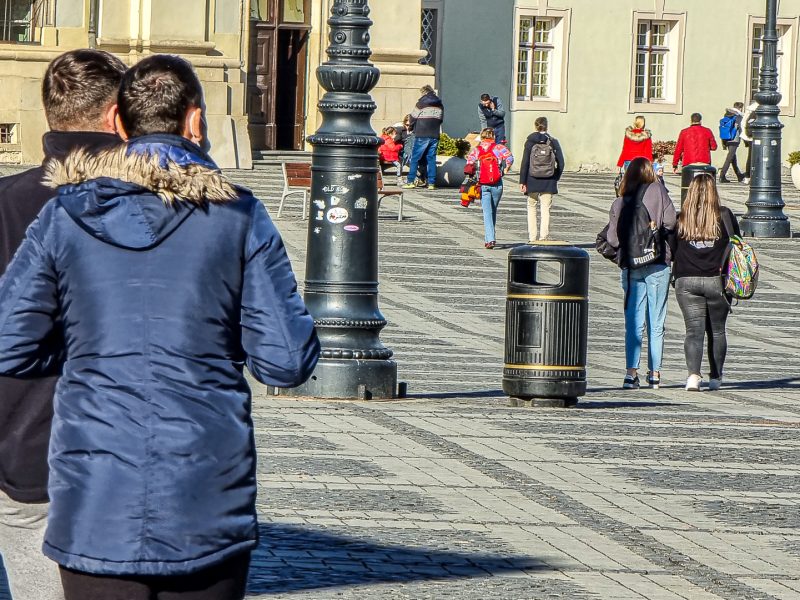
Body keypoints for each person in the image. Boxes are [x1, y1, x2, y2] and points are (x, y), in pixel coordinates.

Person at [0, 54, 320, 600]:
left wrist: (90, 358)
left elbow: (9, 345)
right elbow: (286, 362)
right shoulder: (239, 215)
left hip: (94, 493)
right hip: (206, 494)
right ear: (196, 122)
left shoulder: (66, 214)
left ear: (120, 127)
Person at [0, 49, 126, 600]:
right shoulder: (162, 206)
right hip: (115, 453)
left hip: (21, 448)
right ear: (118, 116)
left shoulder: (9, 200)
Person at [605, 157, 677, 390]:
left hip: (631, 265)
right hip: (657, 262)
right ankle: (655, 373)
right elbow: (672, 222)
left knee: (634, 323)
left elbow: (613, 239)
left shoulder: (619, 201)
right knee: (656, 322)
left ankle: (630, 373)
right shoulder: (658, 190)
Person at [670, 175, 739, 391]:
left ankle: (693, 376)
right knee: (717, 331)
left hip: (686, 280)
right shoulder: (724, 215)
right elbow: (737, 243)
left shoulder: (680, 219)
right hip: (716, 280)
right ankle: (716, 377)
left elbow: (671, 250)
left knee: (693, 331)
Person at [465, 128, 514, 249]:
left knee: (487, 212)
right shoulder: (498, 148)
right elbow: (510, 158)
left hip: (483, 184)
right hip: (497, 183)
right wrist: (505, 169)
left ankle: (490, 239)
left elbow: (469, 162)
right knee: (493, 210)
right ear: (493, 136)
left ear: (482, 137)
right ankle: (490, 238)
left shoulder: (477, 149)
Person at [519, 116, 565, 242]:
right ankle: (543, 236)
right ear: (547, 126)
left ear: (535, 126)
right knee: (545, 209)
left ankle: (532, 237)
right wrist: (556, 177)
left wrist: (522, 181)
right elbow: (561, 162)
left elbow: (525, 163)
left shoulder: (530, 141)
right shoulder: (553, 142)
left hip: (531, 179)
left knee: (532, 206)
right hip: (549, 180)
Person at [403, 84, 444, 190]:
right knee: (431, 159)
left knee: (415, 158)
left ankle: (410, 181)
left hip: (422, 134)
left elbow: (412, 117)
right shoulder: (440, 104)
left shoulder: (421, 103)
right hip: (434, 134)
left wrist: (411, 127)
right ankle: (431, 183)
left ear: (424, 92)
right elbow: (440, 119)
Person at [719, 102, 746, 183]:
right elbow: (741, 128)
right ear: (740, 108)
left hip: (726, 138)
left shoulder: (727, 114)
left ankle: (739, 175)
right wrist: (745, 140)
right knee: (729, 157)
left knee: (733, 157)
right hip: (734, 138)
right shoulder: (738, 116)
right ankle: (722, 175)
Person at [739, 100, 758, 184]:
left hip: (748, 136)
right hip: (756, 137)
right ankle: (752, 176)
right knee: (756, 157)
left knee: (750, 156)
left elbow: (743, 123)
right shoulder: (758, 109)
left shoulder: (750, 109)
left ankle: (748, 176)